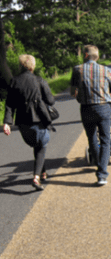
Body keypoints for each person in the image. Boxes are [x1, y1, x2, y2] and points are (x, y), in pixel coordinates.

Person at [70, 44, 111, 186]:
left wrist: (80, 95)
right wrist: (110, 95)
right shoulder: (106, 70)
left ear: (86, 55)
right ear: (97, 56)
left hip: (86, 109)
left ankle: (98, 163)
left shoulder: (77, 70)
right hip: (103, 108)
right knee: (105, 140)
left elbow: (72, 92)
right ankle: (102, 174)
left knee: (92, 139)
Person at [3, 54, 56, 191]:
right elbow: (51, 101)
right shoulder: (39, 80)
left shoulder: (14, 81)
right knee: (41, 145)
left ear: (21, 66)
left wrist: (7, 122)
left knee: (37, 145)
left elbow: (9, 105)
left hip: (22, 123)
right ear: (33, 66)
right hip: (39, 120)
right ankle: (36, 178)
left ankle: (43, 173)